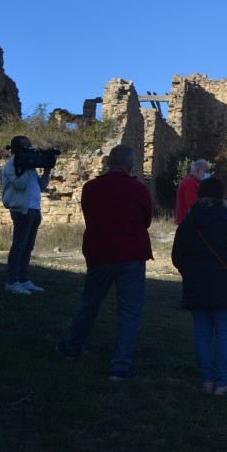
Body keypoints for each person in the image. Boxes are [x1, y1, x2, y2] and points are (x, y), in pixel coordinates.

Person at [57, 144, 153, 380]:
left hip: (99, 254)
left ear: (108, 163)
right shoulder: (138, 189)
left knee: (89, 304)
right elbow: (147, 221)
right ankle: (120, 367)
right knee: (129, 313)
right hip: (131, 255)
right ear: (131, 165)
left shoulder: (91, 188)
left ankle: (73, 347)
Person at [171, 177, 227, 395]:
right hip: (224, 284)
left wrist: (189, 272)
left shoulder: (188, 223)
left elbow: (177, 256)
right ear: (221, 196)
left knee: (202, 333)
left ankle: (207, 380)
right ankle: (225, 381)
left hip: (195, 284)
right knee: (224, 332)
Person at [0, 135, 53, 295]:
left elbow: (42, 186)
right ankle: (12, 281)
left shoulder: (29, 167)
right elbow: (18, 184)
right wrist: (29, 167)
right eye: (27, 146)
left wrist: (47, 171)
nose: (31, 148)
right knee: (18, 246)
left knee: (28, 246)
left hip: (34, 209)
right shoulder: (12, 165)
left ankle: (24, 280)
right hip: (21, 209)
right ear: (18, 148)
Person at [175, 158, 209, 224]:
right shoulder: (189, 182)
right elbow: (193, 205)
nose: (207, 173)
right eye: (206, 171)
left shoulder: (195, 181)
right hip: (189, 223)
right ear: (199, 170)